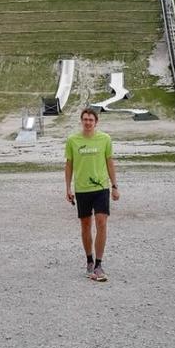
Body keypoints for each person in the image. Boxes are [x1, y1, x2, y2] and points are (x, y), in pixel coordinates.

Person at [65, 107, 119, 281]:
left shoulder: (105, 139)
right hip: (82, 189)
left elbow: (110, 162)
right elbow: (69, 165)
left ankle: (98, 264)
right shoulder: (73, 140)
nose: (88, 122)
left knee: (101, 222)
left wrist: (115, 186)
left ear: (96, 122)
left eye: (91, 120)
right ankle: (89, 260)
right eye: (85, 119)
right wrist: (67, 188)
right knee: (86, 226)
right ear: (82, 121)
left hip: (101, 188)